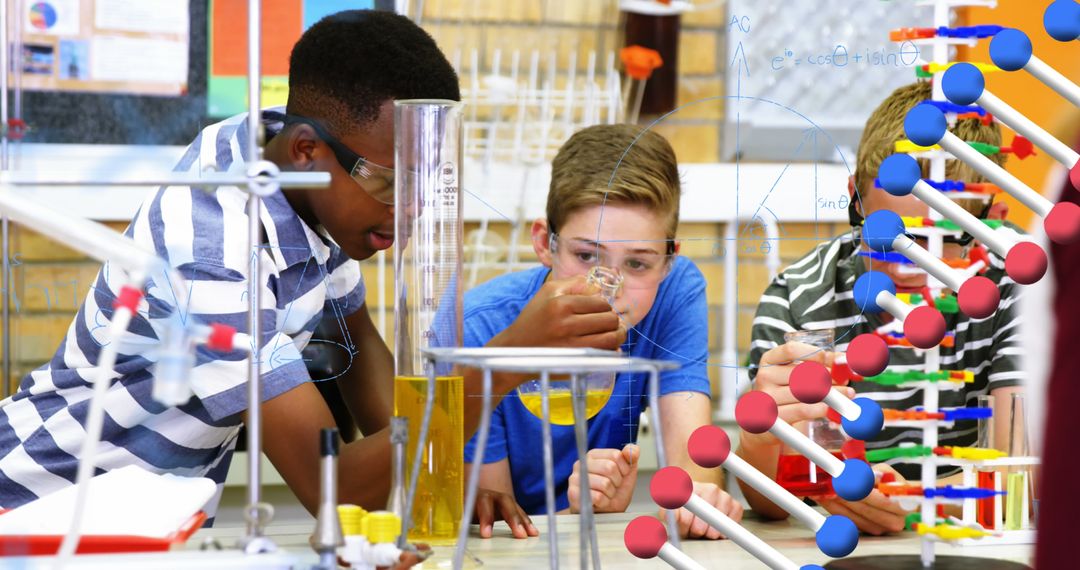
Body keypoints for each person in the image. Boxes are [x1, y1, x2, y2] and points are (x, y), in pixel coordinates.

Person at [0, 11, 612, 539]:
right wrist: (501, 365)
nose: (413, 208)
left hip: (141, 521)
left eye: (424, 184)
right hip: (40, 515)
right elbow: (333, 489)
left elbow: (358, 349)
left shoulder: (289, 165)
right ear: (306, 152)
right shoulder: (211, 259)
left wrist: (440, 468)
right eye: (393, 182)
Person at [738, 81, 1023, 535]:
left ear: (993, 222)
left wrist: (918, 503)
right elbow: (770, 504)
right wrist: (760, 435)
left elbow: (1021, 475)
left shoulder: (1016, 285)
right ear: (856, 199)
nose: (913, 268)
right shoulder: (799, 296)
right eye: (890, 238)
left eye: (943, 242)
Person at [462, 124, 742, 540]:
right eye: (586, 255)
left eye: (637, 264)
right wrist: (577, 514)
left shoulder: (673, 291)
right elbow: (493, 526)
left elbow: (693, 476)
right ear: (544, 243)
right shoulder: (481, 325)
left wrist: (700, 502)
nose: (607, 287)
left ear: (668, 261)